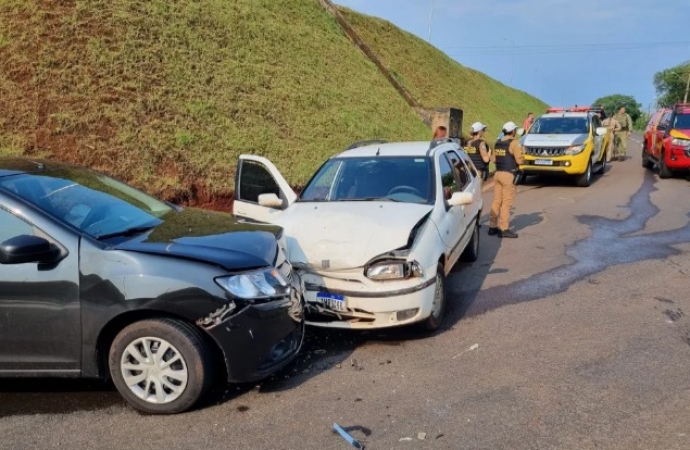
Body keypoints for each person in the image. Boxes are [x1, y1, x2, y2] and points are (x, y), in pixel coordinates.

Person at [488, 122, 524, 238]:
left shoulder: (498, 142)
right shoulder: (514, 143)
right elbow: (519, 161)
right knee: (507, 203)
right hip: (508, 175)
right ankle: (504, 228)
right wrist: (523, 154)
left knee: (497, 200)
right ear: (513, 131)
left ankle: (492, 226)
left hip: (497, 174)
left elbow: (493, 159)